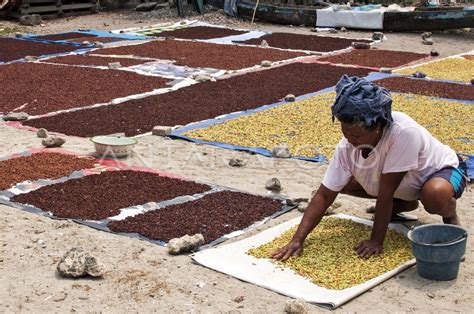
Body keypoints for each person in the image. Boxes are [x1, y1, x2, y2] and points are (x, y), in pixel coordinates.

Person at [272, 75, 468, 260]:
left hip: (442, 171)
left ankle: (449, 216)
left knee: (434, 195)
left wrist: (376, 240)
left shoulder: (404, 133)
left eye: (356, 135)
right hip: (407, 182)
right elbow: (324, 195)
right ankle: (404, 204)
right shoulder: (346, 147)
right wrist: (297, 239)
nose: (349, 139)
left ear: (377, 126)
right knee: (342, 183)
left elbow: (386, 192)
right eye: (345, 132)